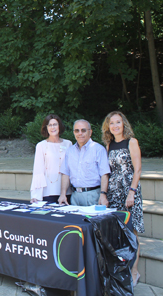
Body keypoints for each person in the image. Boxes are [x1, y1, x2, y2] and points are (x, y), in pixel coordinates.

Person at [102, 111, 144, 286]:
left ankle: (134, 272)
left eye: (118, 122)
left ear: (123, 124)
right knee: (117, 234)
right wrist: (104, 194)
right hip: (113, 193)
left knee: (131, 233)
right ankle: (120, 272)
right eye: (112, 123)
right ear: (108, 127)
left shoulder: (131, 142)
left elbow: (138, 169)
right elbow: (107, 171)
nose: (115, 126)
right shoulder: (109, 145)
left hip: (129, 192)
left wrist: (132, 192)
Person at [58, 119, 110, 206]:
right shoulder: (70, 151)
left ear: (90, 132)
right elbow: (66, 174)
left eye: (83, 130)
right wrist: (63, 194)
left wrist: (103, 195)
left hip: (93, 196)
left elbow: (104, 174)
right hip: (74, 196)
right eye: (77, 130)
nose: (80, 133)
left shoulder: (98, 149)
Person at [30, 114, 72, 203]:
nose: (53, 127)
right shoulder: (41, 146)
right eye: (50, 125)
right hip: (48, 191)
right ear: (46, 128)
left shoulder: (68, 144)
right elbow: (38, 171)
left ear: (59, 126)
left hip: (66, 191)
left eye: (55, 124)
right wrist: (35, 195)